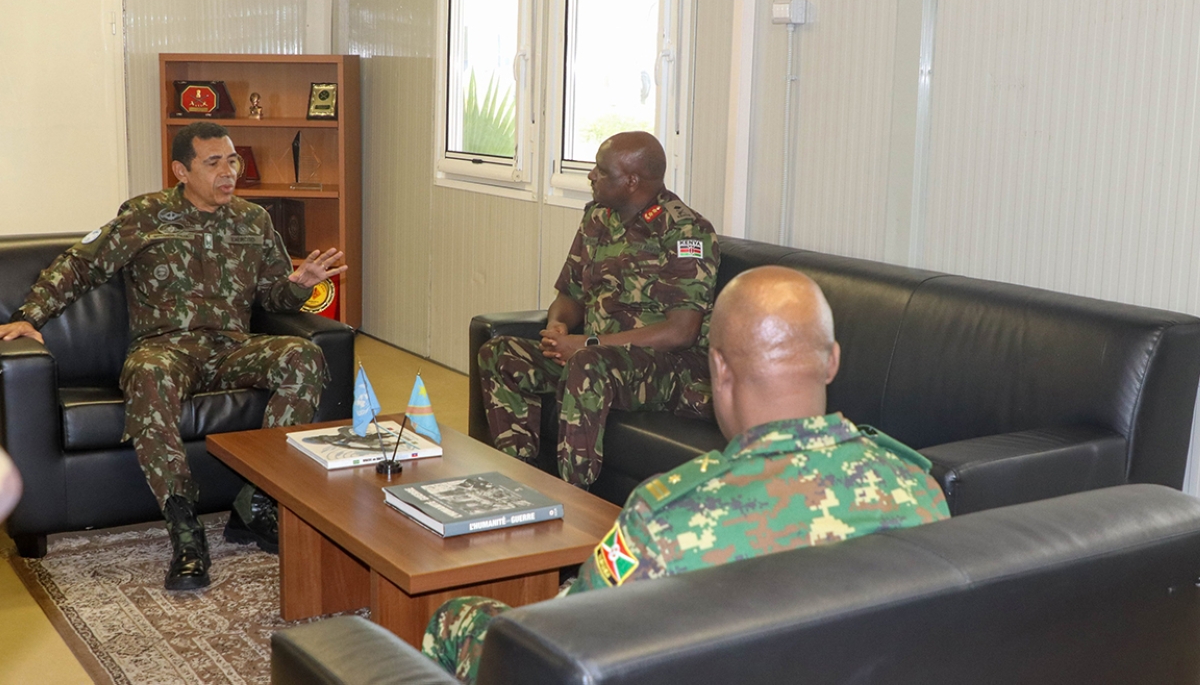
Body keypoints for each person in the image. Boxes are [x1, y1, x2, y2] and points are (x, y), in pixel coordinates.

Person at [423, 265, 951, 683]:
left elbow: (561, 643)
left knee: (455, 617)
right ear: (832, 361)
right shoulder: (919, 489)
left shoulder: (668, 516)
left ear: (718, 368)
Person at [0, 121, 348, 591]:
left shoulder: (253, 221)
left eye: (233, 161)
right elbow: (81, 266)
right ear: (181, 170)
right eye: (214, 163)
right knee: (146, 374)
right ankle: (185, 530)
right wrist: (29, 317)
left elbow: (272, 300)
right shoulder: (144, 215)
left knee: (303, 357)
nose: (228, 173)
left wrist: (297, 285)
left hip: (230, 347)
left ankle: (257, 503)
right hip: (164, 349)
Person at [479, 131, 719, 489]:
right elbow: (570, 294)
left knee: (587, 365)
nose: (591, 175)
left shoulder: (685, 231)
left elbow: (680, 332)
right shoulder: (598, 218)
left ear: (632, 181)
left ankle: (575, 497)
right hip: (596, 358)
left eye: (602, 171)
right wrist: (558, 326)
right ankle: (518, 479)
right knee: (500, 353)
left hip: (664, 367)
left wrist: (588, 344)